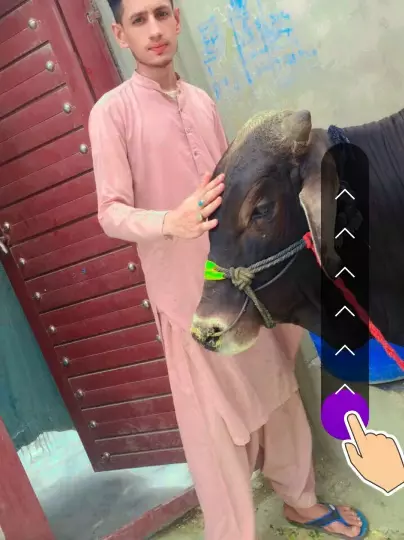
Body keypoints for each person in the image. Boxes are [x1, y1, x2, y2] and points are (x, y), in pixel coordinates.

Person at [88, 0, 368, 538]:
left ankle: (300, 501)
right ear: (120, 35)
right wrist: (170, 221)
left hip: (245, 280)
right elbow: (109, 213)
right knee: (215, 429)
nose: (155, 30)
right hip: (188, 299)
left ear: (177, 19)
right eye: (139, 20)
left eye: (162, 14)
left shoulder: (201, 102)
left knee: (279, 387)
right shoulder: (113, 114)